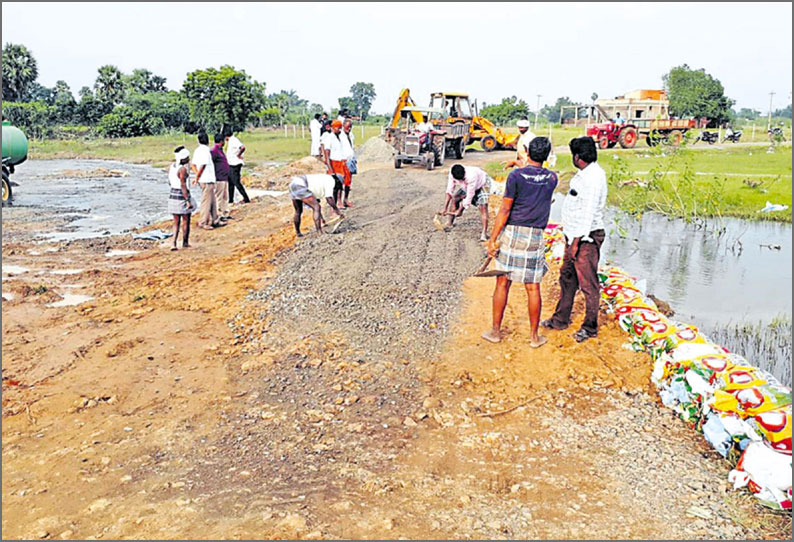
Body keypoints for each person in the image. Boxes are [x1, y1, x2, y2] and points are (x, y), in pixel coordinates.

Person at [482, 137, 557, 347]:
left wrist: (493, 238)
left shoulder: (516, 176)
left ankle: (496, 332)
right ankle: (534, 337)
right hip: (535, 235)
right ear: (548, 155)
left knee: (503, 282)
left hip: (513, 232)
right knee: (533, 287)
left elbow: (505, 209)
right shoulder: (552, 178)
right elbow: (537, 180)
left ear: (526, 151)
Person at [541, 137, 607, 343]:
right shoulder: (584, 174)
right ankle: (560, 318)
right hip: (574, 236)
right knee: (567, 276)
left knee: (588, 283)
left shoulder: (594, 178)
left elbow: (588, 213)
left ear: (577, 157)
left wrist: (577, 243)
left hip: (586, 238)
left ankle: (590, 327)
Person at [437, 164, 492, 241]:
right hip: (467, 186)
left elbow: (469, 196)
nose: (460, 182)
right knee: (455, 198)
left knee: (483, 207)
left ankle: (484, 234)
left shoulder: (471, 176)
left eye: (462, 179)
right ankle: (449, 223)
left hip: (482, 183)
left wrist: (460, 210)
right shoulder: (452, 174)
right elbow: (449, 191)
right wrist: (444, 208)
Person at [168, 146, 197, 250]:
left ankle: (173, 243)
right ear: (183, 159)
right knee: (186, 220)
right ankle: (185, 242)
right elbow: (183, 185)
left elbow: (170, 182)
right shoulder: (183, 169)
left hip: (173, 194)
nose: (189, 159)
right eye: (187, 158)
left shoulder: (172, 166)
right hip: (181, 195)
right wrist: (187, 200)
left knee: (176, 221)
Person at [191, 132, 221, 230]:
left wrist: (197, 176)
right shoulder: (205, 151)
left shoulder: (197, 150)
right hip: (207, 179)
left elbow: (193, 165)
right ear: (207, 140)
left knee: (212, 200)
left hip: (205, 180)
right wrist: (198, 176)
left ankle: (215, 219)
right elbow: (203, 165)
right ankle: (203, 222)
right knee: (206, 202)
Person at [321, 119, 353, 208]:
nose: (339, 130)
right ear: (332, 128)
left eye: (340, 128)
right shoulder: (329, 138)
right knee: (337, 185)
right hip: (334, 163)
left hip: (343, 162)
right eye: (337, 128)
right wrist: (330, 169)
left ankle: (345, 200)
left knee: (347, 182)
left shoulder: (341, 136)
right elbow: (327, 155)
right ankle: (337, 203)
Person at [225, 128, 250, 204]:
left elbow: (242, 147)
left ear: (226, 136)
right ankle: (230, 200)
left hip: (235, 164)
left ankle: (246, 198)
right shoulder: (231, 141)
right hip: (231, 164)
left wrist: (238, 155)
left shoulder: (234, 140)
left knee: (236, 182)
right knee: (230, 182)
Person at [211, 133, 231, 221]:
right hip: (219, 177)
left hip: (224, 176)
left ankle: (225, 212)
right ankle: (218, 214)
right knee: (219, 196)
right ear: (221, 141)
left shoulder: (220, 150)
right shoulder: (214, 151)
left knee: (225, 196)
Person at [341, 118, 357, 204]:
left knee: (348, 181)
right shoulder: (340, 135)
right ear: (343, 126)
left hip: (351, 159)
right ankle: (339, 201)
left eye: (350, 127)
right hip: (343, 160)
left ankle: (346, 199)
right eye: (347, 127)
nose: (349, 129)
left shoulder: (351, 135)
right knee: (340, 182)